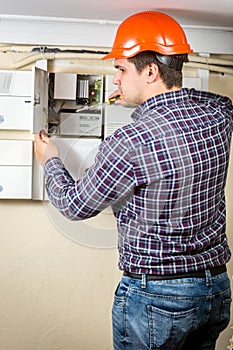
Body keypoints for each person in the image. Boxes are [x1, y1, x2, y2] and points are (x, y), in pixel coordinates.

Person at [34, 11, 233, 350]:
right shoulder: (219, 114)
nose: (115, 79)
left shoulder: (131, 140)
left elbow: (74, 205)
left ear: (151, 71)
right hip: (214, 290)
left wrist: (50, 159)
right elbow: (208, 104)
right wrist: (152, 102)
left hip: (157, 299)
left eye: (121, 69)